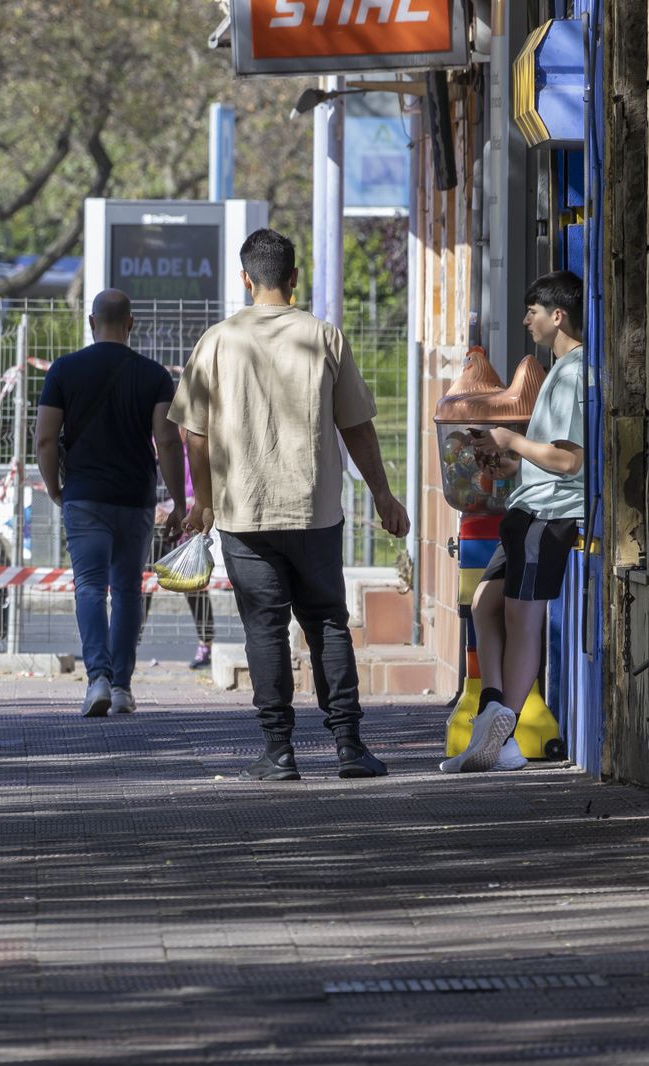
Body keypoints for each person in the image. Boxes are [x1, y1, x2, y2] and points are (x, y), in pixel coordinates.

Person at [169, 228, 410, 780]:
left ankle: (278, 751)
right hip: (314, 511)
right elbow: (358, 428)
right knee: (327, 621)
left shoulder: (217, 342)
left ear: (246, 279)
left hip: (243, 514)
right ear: (295, 278)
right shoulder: (325, 337)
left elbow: (194, 435)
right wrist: (383, 494)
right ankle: (349, 745)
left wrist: (203, 504)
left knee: (265, 628)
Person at [441, 269, 588, 774]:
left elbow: (571, 461)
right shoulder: (558, 371)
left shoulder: (575, 374)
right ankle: (492, 721)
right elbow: (548, 456)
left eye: (533, 311)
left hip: (550, 515)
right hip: (529, 508)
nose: (526, 320)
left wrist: (510, 440)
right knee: (484, 603)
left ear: (558, 315)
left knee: (523, 618)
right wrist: (506, 461)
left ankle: (503, 729)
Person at [36, 289, 186, 716]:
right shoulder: (155, 375)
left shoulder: (64, 370)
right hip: (135, 498)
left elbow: (45, 438)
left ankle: (96, 678)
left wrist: (54, 488)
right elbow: (168, 442)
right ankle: (122, 686)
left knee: (88, 587)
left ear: (91, 322)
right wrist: (177, 501)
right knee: (126, 591)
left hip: (84, 496)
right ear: (131, 323)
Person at [141, 449, 215, 670]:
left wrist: (174, 509)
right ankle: (129, 645)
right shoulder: (152, 448)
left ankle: (206, 645)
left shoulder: (192, 452)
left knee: (195, 586)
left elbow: (201, 493)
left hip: (184, 528)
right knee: (141, 587)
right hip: (151, 528)